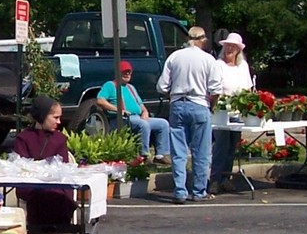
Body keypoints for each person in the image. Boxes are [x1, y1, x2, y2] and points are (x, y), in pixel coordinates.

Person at [156, 26, 223, 204]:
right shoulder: (208, 60)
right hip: (200, 103)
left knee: (178, 152)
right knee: (201, 151)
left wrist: (172, 95)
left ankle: (180, 190)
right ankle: (199, 190)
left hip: (178, 103)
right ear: (202, 40)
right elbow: (216, 89)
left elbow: (162, 86)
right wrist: (211, 105)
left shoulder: (175, 57)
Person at [12, 95, 79, 228]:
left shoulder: (60, 139)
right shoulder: (23, 138)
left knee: (55, 197)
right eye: (55, 117)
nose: (59, 122)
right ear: (42, 116)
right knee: (42, 196)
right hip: (31, 189)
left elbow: (63, 170)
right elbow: (19, 168)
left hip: (57, 190)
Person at [95, 60, 171, 164]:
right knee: (143, 125)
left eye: (129, 72)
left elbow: (141, 105)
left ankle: (160, 155)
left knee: (163, 123)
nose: (127, 74)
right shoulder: (110, 85)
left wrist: (145, 112)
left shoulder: (131, 87)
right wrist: (118, 109)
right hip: (122, 119)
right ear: (118, 72)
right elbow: (100, 100)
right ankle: (143, 155)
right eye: (124, 72)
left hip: (138, 117)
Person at [209, 32, 253, 194]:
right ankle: (215, 179)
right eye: (227, 46)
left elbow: (248, 88)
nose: (229, 49)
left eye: (233, 46)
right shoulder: (217, 65)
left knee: (232, 147)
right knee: (221, 146)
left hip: (238, 112)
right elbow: (214, 89)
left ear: (238, 50)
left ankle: (225, 179)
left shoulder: (243, 66)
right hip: (221, 112)